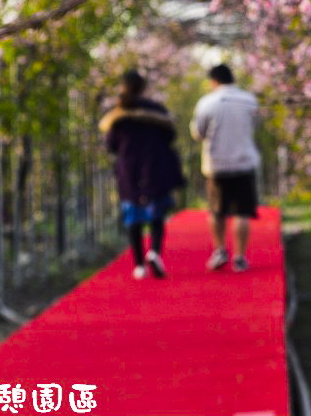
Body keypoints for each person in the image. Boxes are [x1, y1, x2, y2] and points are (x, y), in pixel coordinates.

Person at [99, 70, 184, 280]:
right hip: (155, 167)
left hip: (129, 171)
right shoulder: (157, 111)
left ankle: (138, 265)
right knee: (156, 215)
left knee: (133, 217)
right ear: (143, 87)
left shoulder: (118, 114)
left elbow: (111, 145)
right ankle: (154, 251)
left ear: (123, 86)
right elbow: (171, 136)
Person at [190, 64, 260, 273]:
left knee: (217, 210)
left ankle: (220, 250)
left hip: (217, 164)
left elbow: (199, 132)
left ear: (213, 81)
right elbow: (254, 125)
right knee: (242, 212)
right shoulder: (249, 100)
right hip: (244, 162)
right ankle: (240, 257)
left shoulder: (207, 103)